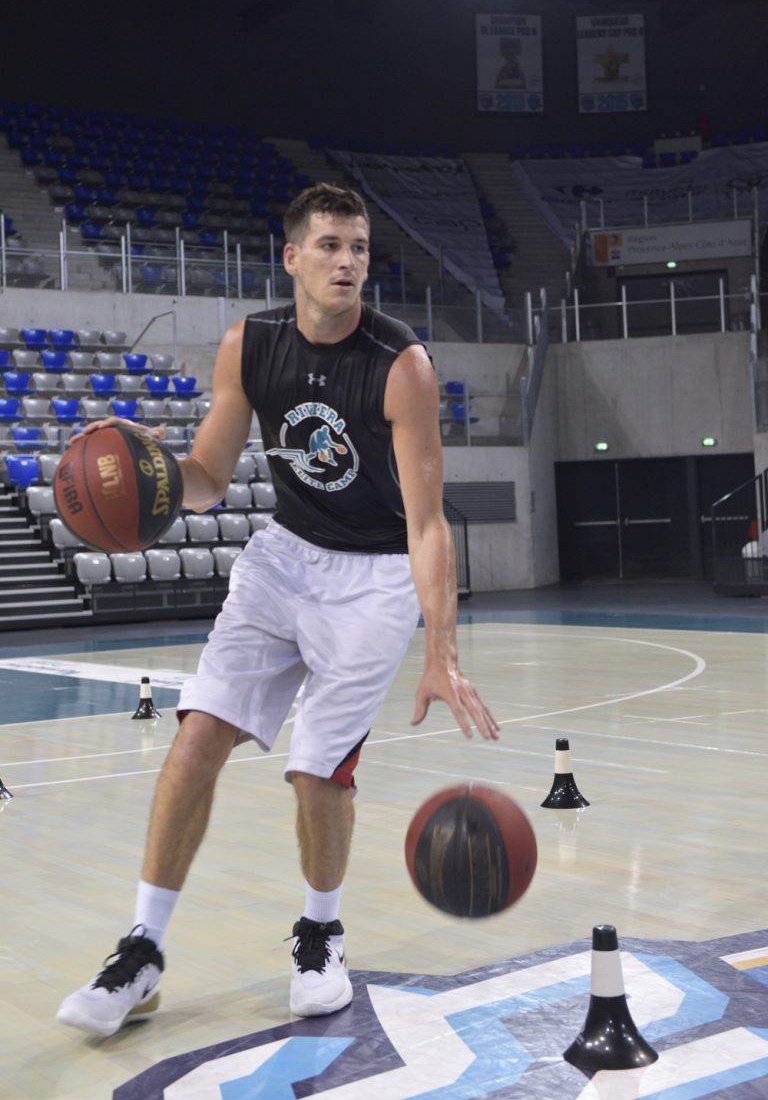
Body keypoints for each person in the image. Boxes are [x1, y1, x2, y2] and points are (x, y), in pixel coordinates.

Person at [57, 182, 499, 1038]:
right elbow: (210, 476)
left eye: (360, 248)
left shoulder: (400, 364)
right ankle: (141, 951)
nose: (348, 262)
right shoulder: (249, 344)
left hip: (374, 575)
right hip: (284, 555)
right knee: (196, 736)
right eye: (331, 245)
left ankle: (320, 934)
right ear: (292, 257)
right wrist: (145, 477)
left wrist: (441, 650)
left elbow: (427, 523)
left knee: (316, 763)